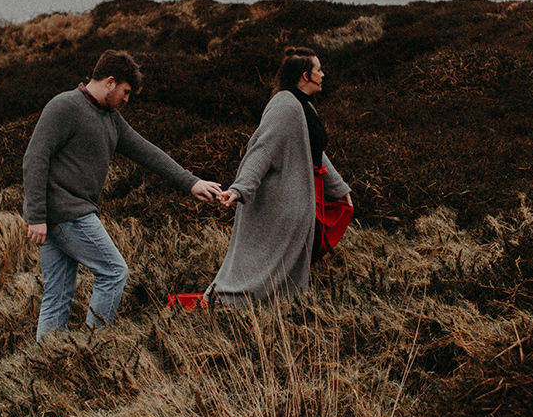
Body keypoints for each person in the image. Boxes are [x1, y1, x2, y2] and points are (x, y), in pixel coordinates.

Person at [23, 49, 224, 337]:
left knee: (57, 295)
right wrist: (37, 216)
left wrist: (190, 182)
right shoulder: (64, 106)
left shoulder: (110, 118)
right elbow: (35, 159)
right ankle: (93, 349)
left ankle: (47, 366)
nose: (127, 100)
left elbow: (147, 152)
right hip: (66, 212)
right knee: (114, 272)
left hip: (62, 214)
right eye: (126, 91)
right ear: (110, 81)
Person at [207, 47, 352, 306]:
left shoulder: (303, 106)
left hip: (302, 197)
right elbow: (262, 151)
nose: (323, 74)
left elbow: (316, 151)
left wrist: (339, 189)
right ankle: (236, 304)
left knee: (294, 257)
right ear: (305, 76)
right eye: (319, 70)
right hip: (281, 201)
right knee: (270, 263)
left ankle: (284, 306)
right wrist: (239, 189)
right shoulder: (285, 106)